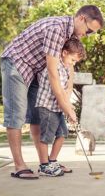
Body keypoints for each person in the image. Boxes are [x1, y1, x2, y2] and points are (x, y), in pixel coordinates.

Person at [0, 5, 104, 179]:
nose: (88, 35)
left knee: (37, 117)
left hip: (35, 69)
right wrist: (66, 108)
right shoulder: (57, 29)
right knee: (15, 114)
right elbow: (53, 72)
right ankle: (19, 166)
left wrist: (68, 102)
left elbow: (69, 71)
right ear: (81, 19)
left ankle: (45, 164)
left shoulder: (71, 35)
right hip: (17, 63)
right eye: (89, 31)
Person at [36, 39, 85, 177]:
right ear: (64, 53)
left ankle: (52, 161)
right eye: (73, 60)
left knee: (63, 133)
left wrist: (69, 109)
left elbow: (66, 90)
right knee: (46, 137)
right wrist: (69, 111)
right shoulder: (55, 66)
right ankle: (44, 166)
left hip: (57, 107)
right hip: (47, 106)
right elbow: (59, 92)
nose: (73, 64)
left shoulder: (65, 68)